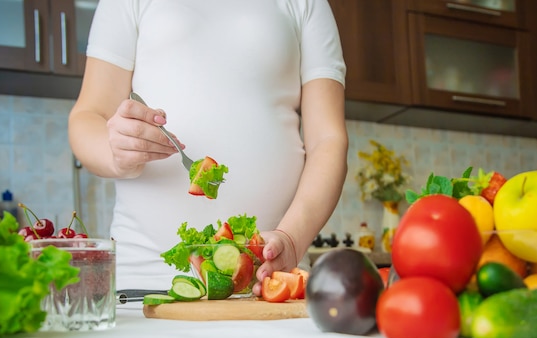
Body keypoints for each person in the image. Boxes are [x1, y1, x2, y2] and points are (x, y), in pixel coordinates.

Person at [68, 0, 348, 296]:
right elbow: (88, 117)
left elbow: (328, 140)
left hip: (268, 281)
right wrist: (114, 152)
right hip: (144, 278)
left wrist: (290, 239)